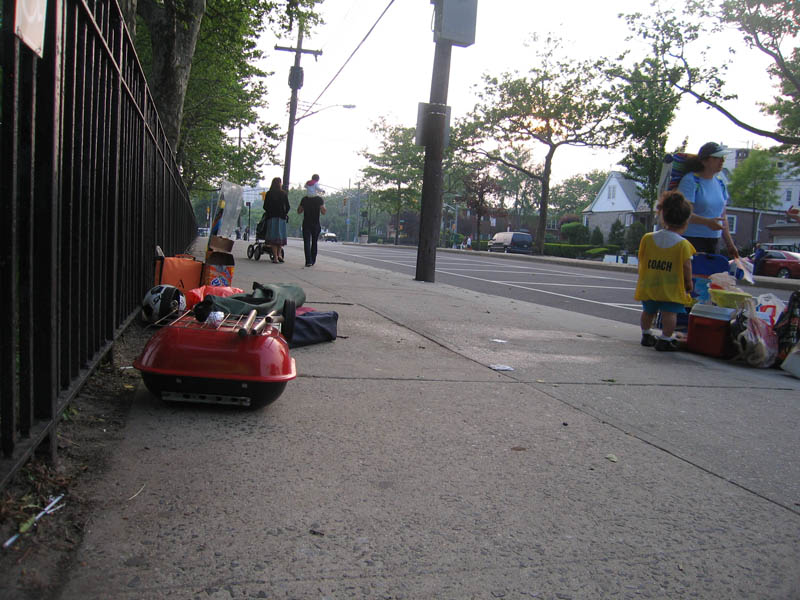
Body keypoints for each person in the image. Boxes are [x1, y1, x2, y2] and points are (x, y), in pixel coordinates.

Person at [635, 191, 696, 352]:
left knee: (648, 311)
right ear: (686, 221)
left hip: (651, 283)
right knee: (669, 313)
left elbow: (642, 258)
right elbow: (686, 266)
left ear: (662, 215)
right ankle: (665, 339)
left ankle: (646, 334)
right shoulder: (683, 245)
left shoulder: (648, 238)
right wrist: (688, 283)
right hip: (671, 287)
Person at [677, 142, 739, 258]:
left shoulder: (720, 182)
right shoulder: (691, 181)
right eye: (717, 158)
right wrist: (707, 222)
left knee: (712, 275)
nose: (722, 161)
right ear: (704, 161)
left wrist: (730, 244)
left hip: (714, 240)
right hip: (692, 239)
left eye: (723, 157)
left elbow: (722, 216)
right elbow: (683, 214)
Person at [262, 177, 290, 263]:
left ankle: (275, 258)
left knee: (273, 238)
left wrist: (270, 211)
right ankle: (280, 255)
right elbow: (288, 206)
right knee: (280, 237)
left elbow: (265, 206)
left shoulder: (269, 194)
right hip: (281, 218)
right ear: (280, 183)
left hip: (272, 218)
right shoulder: (283, 194)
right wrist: (284, 213)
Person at [298, 189, 326, 267]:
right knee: (314, 242)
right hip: (316, 223)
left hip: (306, 223)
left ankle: (308, 261)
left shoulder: (304, 199)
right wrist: (322, 204)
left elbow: (299, 211)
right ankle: (313, 260)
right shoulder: (319, 199)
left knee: (306, 242)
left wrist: (304, 206)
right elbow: (323, 212)